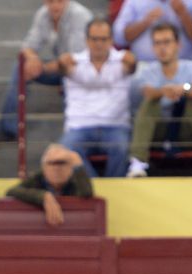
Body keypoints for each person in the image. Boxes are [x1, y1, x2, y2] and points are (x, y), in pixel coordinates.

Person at [127, 22, 192, 177]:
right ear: (152, 47)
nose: (162, 48)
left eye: (166, 42)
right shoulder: (147, 70)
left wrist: (183, 89)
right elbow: (147, 93)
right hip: (157, 129)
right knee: (150, 102)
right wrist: (163, 92)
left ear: (177, 44)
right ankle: (137, 162)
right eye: (157, 43)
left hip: (186, 128)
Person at [1, 0, 93, 138]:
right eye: (51, 1)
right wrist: (32, 59)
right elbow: (27, 46)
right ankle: (10, 128)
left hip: (82, 69)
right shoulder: (42, 14)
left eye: (60, 1)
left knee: (70, 74)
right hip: (59, 66)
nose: (55, 6)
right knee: (20, 67)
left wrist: (42, 67)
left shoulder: (80, 16)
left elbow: (74, 59)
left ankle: (74, 130)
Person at [58, 18, 137, 179]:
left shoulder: (124, 60)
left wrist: (134, 63)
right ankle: (94, 187)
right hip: (79, 126)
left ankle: (114, 187)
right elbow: (58, 68)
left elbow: (133, 67)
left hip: (115, 126)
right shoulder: (72, 61)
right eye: (94, 39)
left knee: (122, 148)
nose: (99, 44)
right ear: (87, 40)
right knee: (66, 149)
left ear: (111, 40)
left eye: (103, 39)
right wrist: (60, 64)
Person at [7, 142, 92, 226]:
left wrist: (78, 166)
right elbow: (12, 191)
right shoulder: (37, 178)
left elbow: (86, 194)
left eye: (61, 163)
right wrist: (44, 196)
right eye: (51, 163)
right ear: (44, 167)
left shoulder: (75, 180)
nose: (56, 168)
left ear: (71, 167)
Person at [113, 0, 192, 61]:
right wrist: (145, 23)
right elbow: (119, 38)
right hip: (144, 67)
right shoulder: (135, 2)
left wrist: (183, 14)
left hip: (184, 66)